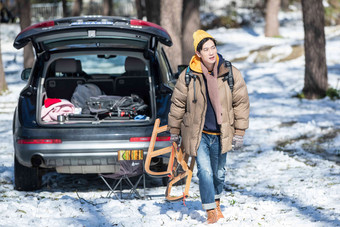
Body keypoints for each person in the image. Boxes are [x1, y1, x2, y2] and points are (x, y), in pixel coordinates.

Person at [168, 30, 249, 224]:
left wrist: (239, 131)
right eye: (206, 49)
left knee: (219, 172)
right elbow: (178, 104)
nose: (211, 52)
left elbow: (241, 102)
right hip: (199, 134)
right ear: (198, 53)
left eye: (213, 47)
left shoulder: (230, 72)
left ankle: (217, 200)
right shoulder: (188, 76)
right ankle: (210, 209)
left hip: (222, 133)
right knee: (204, 171)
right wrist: (174, 131)